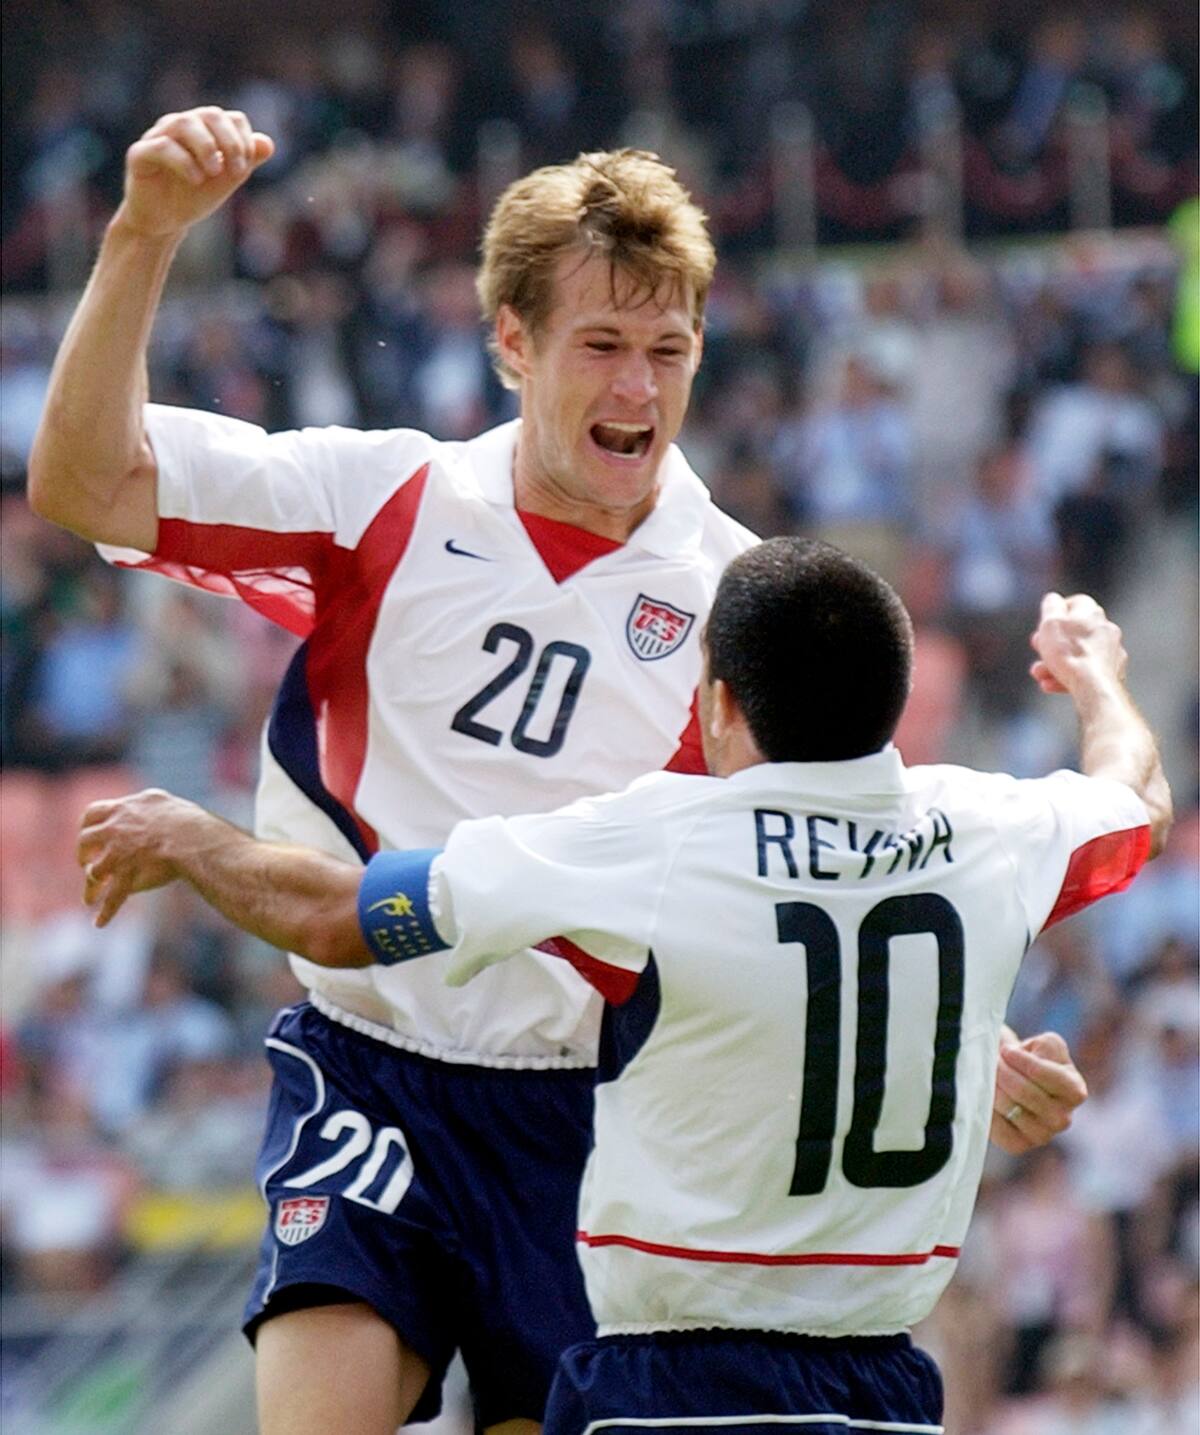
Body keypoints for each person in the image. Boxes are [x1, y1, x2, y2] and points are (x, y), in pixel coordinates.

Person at [31, 106, 1087, 1434]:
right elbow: (84, 480)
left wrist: (968, 1045)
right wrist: (141, 237)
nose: (638, 389)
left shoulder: (743, 599)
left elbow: (842, 855)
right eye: (601, 345)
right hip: (376, 1062)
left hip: (593, 1115)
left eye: (668, 349)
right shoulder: (383, 501)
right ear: (513, 342)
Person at [77, 546, 1170, 1431]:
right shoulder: (992, 827)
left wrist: (188, 836)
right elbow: (1138, 795)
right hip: (882, 1388)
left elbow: (333, 916)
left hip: (673, 1391)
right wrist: (1097, 677)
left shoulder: (654, 845)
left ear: (723, 702)